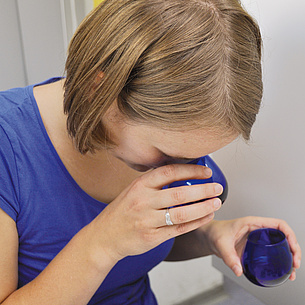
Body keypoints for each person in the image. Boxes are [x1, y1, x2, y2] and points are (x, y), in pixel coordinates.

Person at [0, 0, 301, 304]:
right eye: (167, 153)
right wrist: (102, 243)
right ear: (101, 91)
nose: (186, 168)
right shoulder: (8, 146)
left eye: (196, 156)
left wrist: (211, 236)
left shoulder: (146, 143)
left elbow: (139, 247)